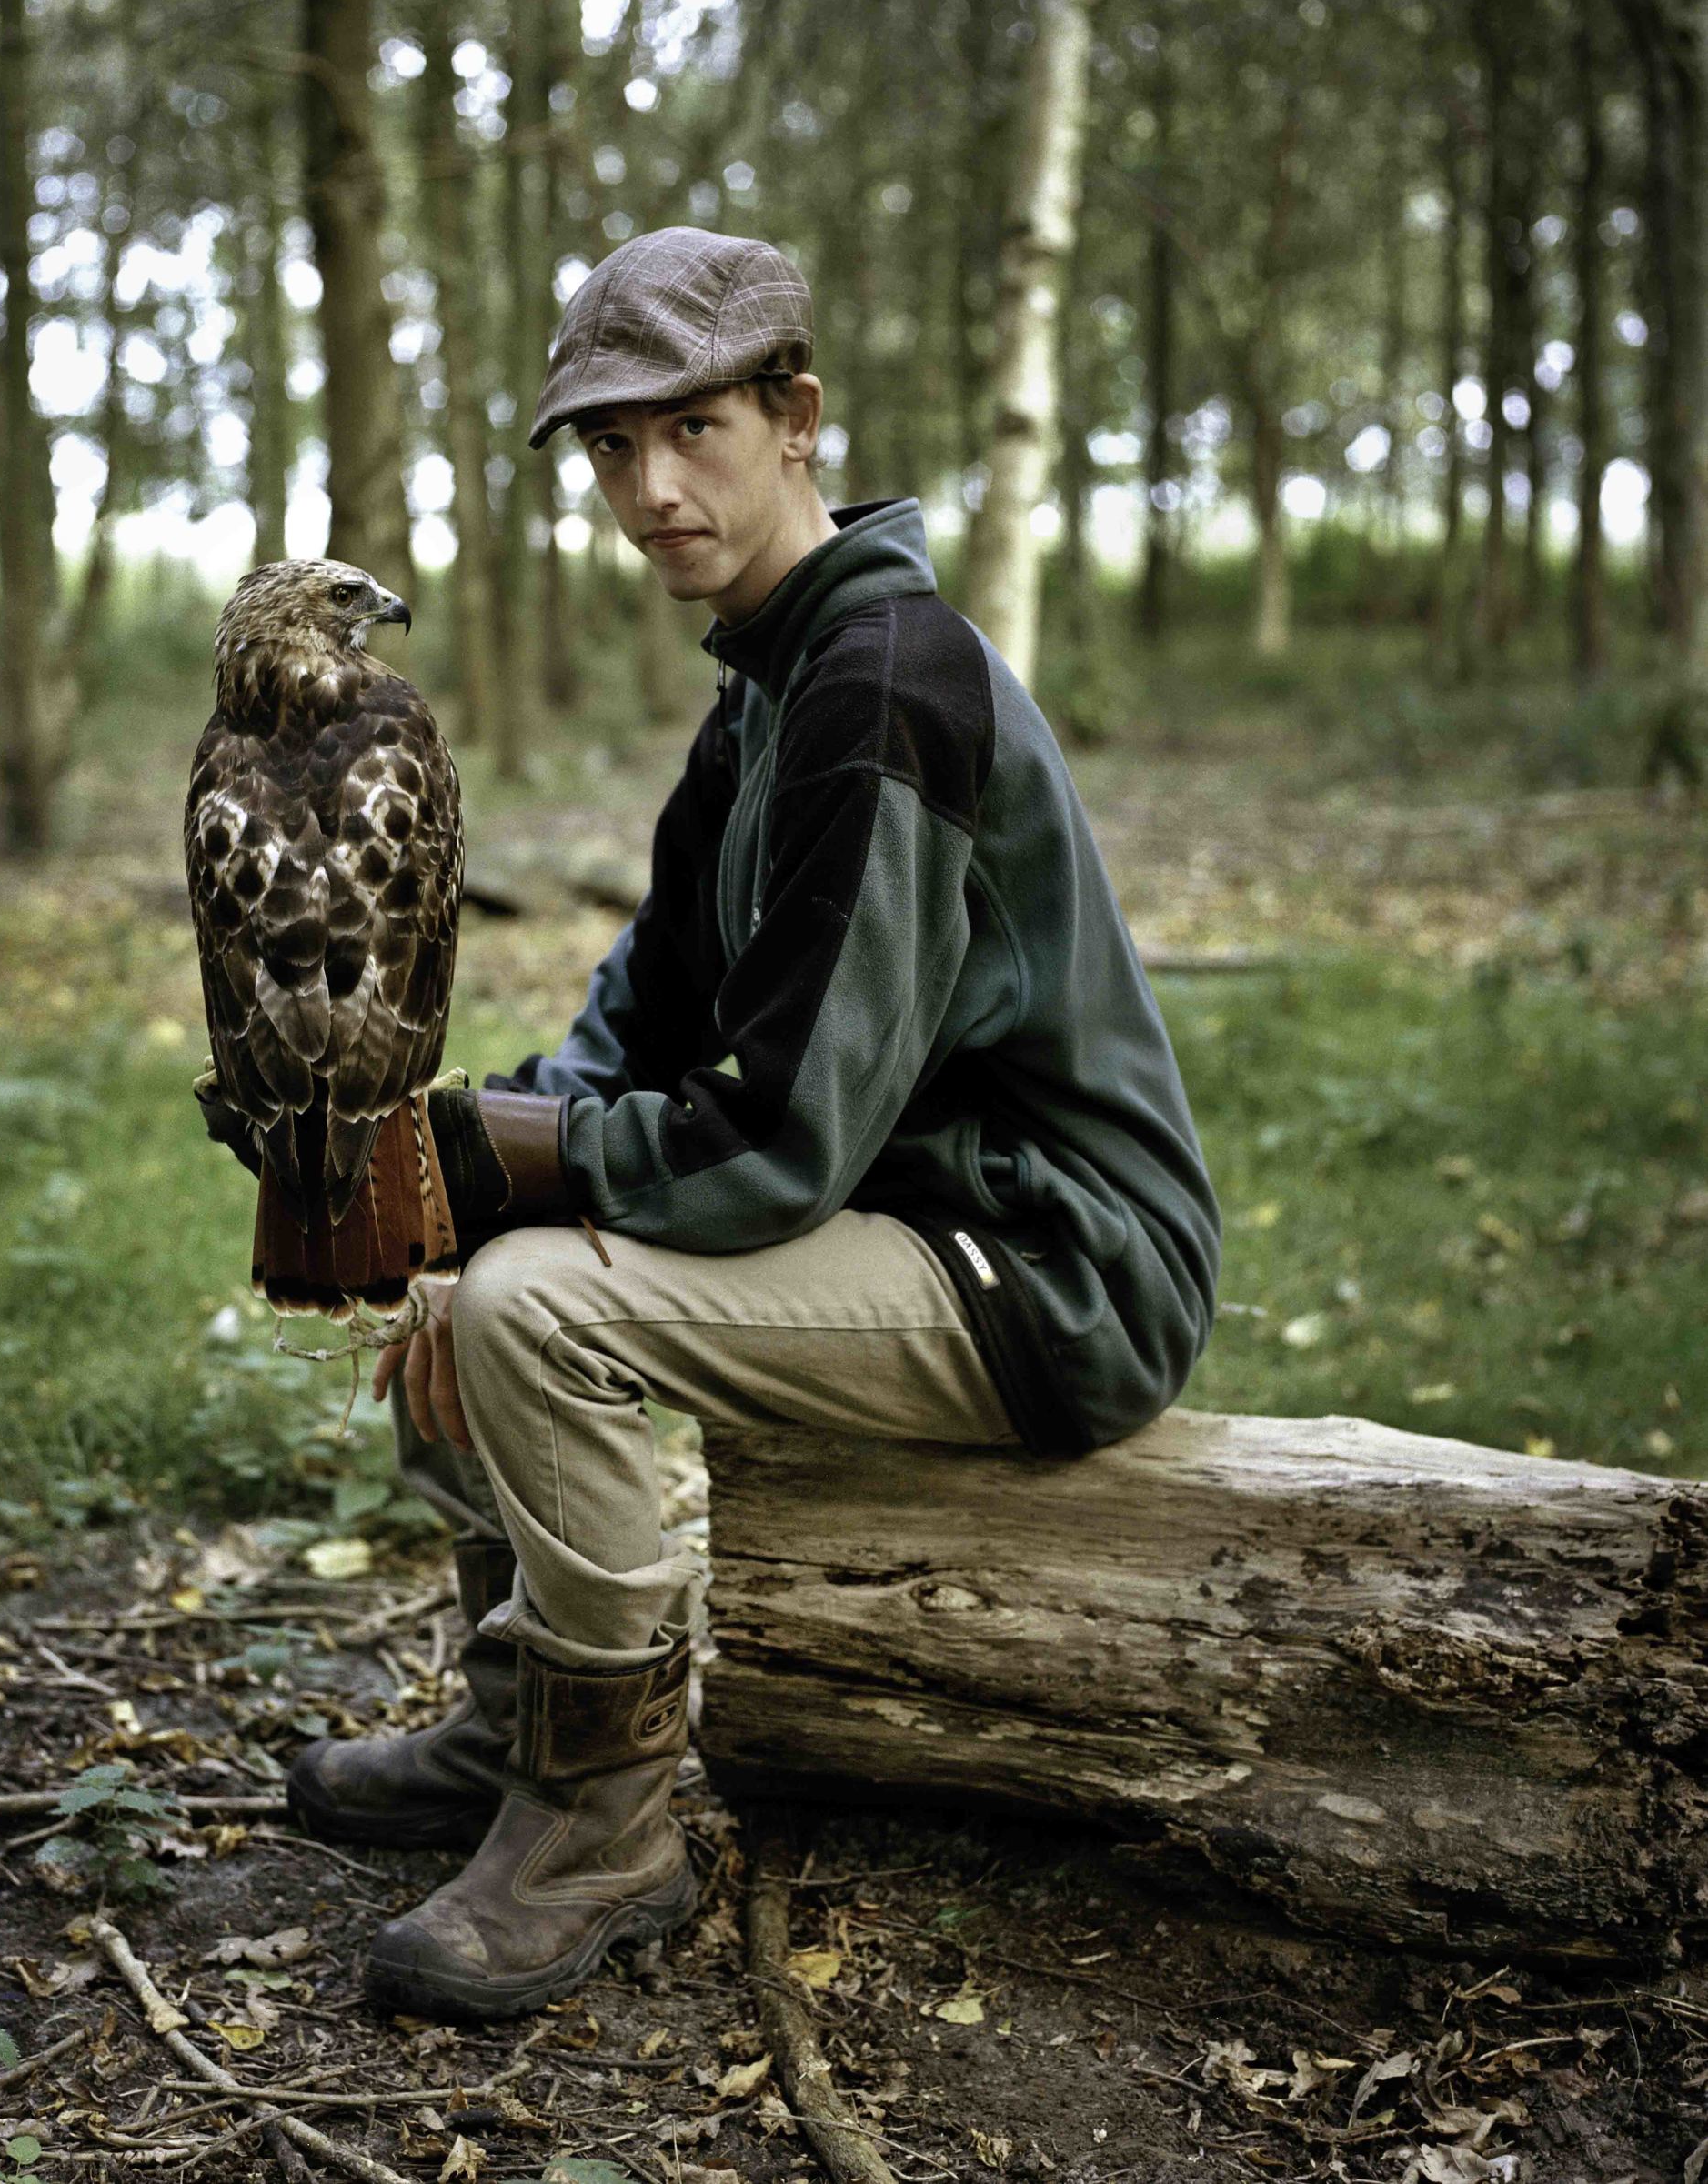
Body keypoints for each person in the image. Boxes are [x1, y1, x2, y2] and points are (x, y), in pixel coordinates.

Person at [202, 225, 1221, 2022]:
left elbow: (775, 1142)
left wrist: (491, 1179)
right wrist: (445, 1173)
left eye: (693, 431)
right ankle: (521, 1719)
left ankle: (603, 1823)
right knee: (460, 1265)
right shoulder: (767, 679)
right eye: (611, 446)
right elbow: (640, 1014)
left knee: (533, 1307)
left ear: (795, 418)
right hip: (909, 1211)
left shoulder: (882, 682)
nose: (650, 489)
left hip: (1053, 1264)